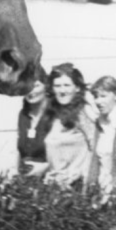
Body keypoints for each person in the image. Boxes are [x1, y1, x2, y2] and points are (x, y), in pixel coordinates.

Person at [42, 62, 98, 190]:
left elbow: (94, 148)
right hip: (54, 186)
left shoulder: (84, 112)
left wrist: (83, 178)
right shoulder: (52, 115)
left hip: (77, 185)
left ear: (77, 88)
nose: (62, 90)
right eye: (57, 86)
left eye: (67, 85)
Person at [17, 66, 50, 177]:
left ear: (46, 87)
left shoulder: (54, 114)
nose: (30, 91)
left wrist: (45, 167)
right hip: (27, 178)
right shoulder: (23, 115)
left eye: (36, 86)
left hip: (50, 178)